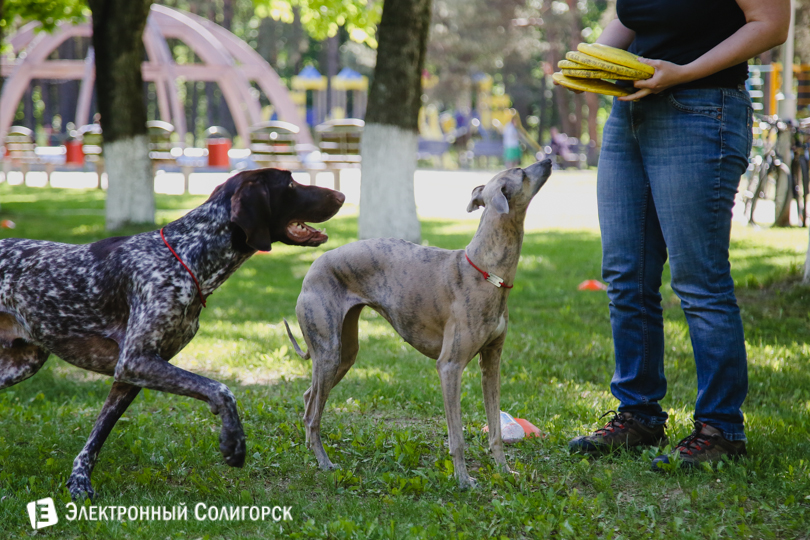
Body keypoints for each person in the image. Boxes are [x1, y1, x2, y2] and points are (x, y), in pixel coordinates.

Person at [562, 1, 790, 469]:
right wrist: (591, 64)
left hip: (701, 109)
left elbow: (771, 24)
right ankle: (638, 415)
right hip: (630, 114)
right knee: (625, 274)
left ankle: (720, 428)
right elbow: (632, 18)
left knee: (698, 281)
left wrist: (682, 72)